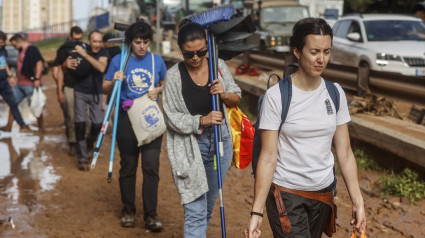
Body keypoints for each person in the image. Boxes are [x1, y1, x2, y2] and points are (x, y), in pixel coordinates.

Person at [244, 18, 366, 238]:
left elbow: (345, 153)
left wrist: (358, 202)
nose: (321, 59)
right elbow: (268, 157)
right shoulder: (277, 97)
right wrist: (257, 211)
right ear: (297, 52)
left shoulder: (335, 93)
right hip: (286, 194)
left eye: (327, 51)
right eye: (314, 52)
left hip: (323, 194)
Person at [162, 22, 241, 237]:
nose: (196, 58)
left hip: (220, 142)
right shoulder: (173, 77)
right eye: (189, 54)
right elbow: (171, 118)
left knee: (206, 208)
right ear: (181, 50)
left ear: (207, 46)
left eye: (201, 52)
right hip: (190, 148)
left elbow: (236, 98)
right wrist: (201, 121)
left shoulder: (218, 66)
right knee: (195, 210)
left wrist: (224, 94)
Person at [103, 21, 167, 231]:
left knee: (151, 167)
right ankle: (128, 210)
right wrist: (114, 80)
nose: (141, 46)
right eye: (137, 42)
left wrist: (158, 91)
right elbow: (104, 88)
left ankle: (151, 215)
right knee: (128, 167)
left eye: (145, 42)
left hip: (149, 119)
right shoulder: (118, 60)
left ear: (150, 41)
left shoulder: (157, 61)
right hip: (125, 119)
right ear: (130, 42)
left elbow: (166, 84)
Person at [63, 30, 109, 170]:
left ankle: (89, 144)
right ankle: (82, 158)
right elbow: (66, 67)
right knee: (80, 125)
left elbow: (101, 68)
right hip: (80, 92)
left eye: (99, 41)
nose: (97, 44)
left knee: (97, 125)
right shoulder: (79, 51)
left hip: (96, 93)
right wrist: (66, 64)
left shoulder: (103, 53)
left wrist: (84, 54)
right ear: (89, 41)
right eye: (94, 41)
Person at [52, 26, 84, 155]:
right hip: (67, 87)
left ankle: (82, 141)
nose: (78, 41)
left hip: (82, 89)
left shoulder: (84, 49)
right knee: (70, 117)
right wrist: (60, 90)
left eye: (80, 39)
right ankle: (73, 143)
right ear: (71, 37)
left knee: (82, 118)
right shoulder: (64, 50)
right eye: (76, 39)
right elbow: (56, 71)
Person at [9, 33, 45, 133]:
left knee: (35, 106)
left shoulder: (32, 49)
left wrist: (37, 79)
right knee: (12, 103)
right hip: (20, 84)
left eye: (14, 45)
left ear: (19, 41)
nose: (14, 47)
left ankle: (41, 127)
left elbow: (39, 63)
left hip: (30, 84)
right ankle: (9, 126)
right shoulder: (21, 51)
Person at [0, 31, 31, 132]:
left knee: (13, 103)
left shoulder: (3, 50)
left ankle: (22, 125)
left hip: (4, 82)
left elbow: (4, 64)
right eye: (1, 42)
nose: (2, 44)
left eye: (3, 42)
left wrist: (10, 76)